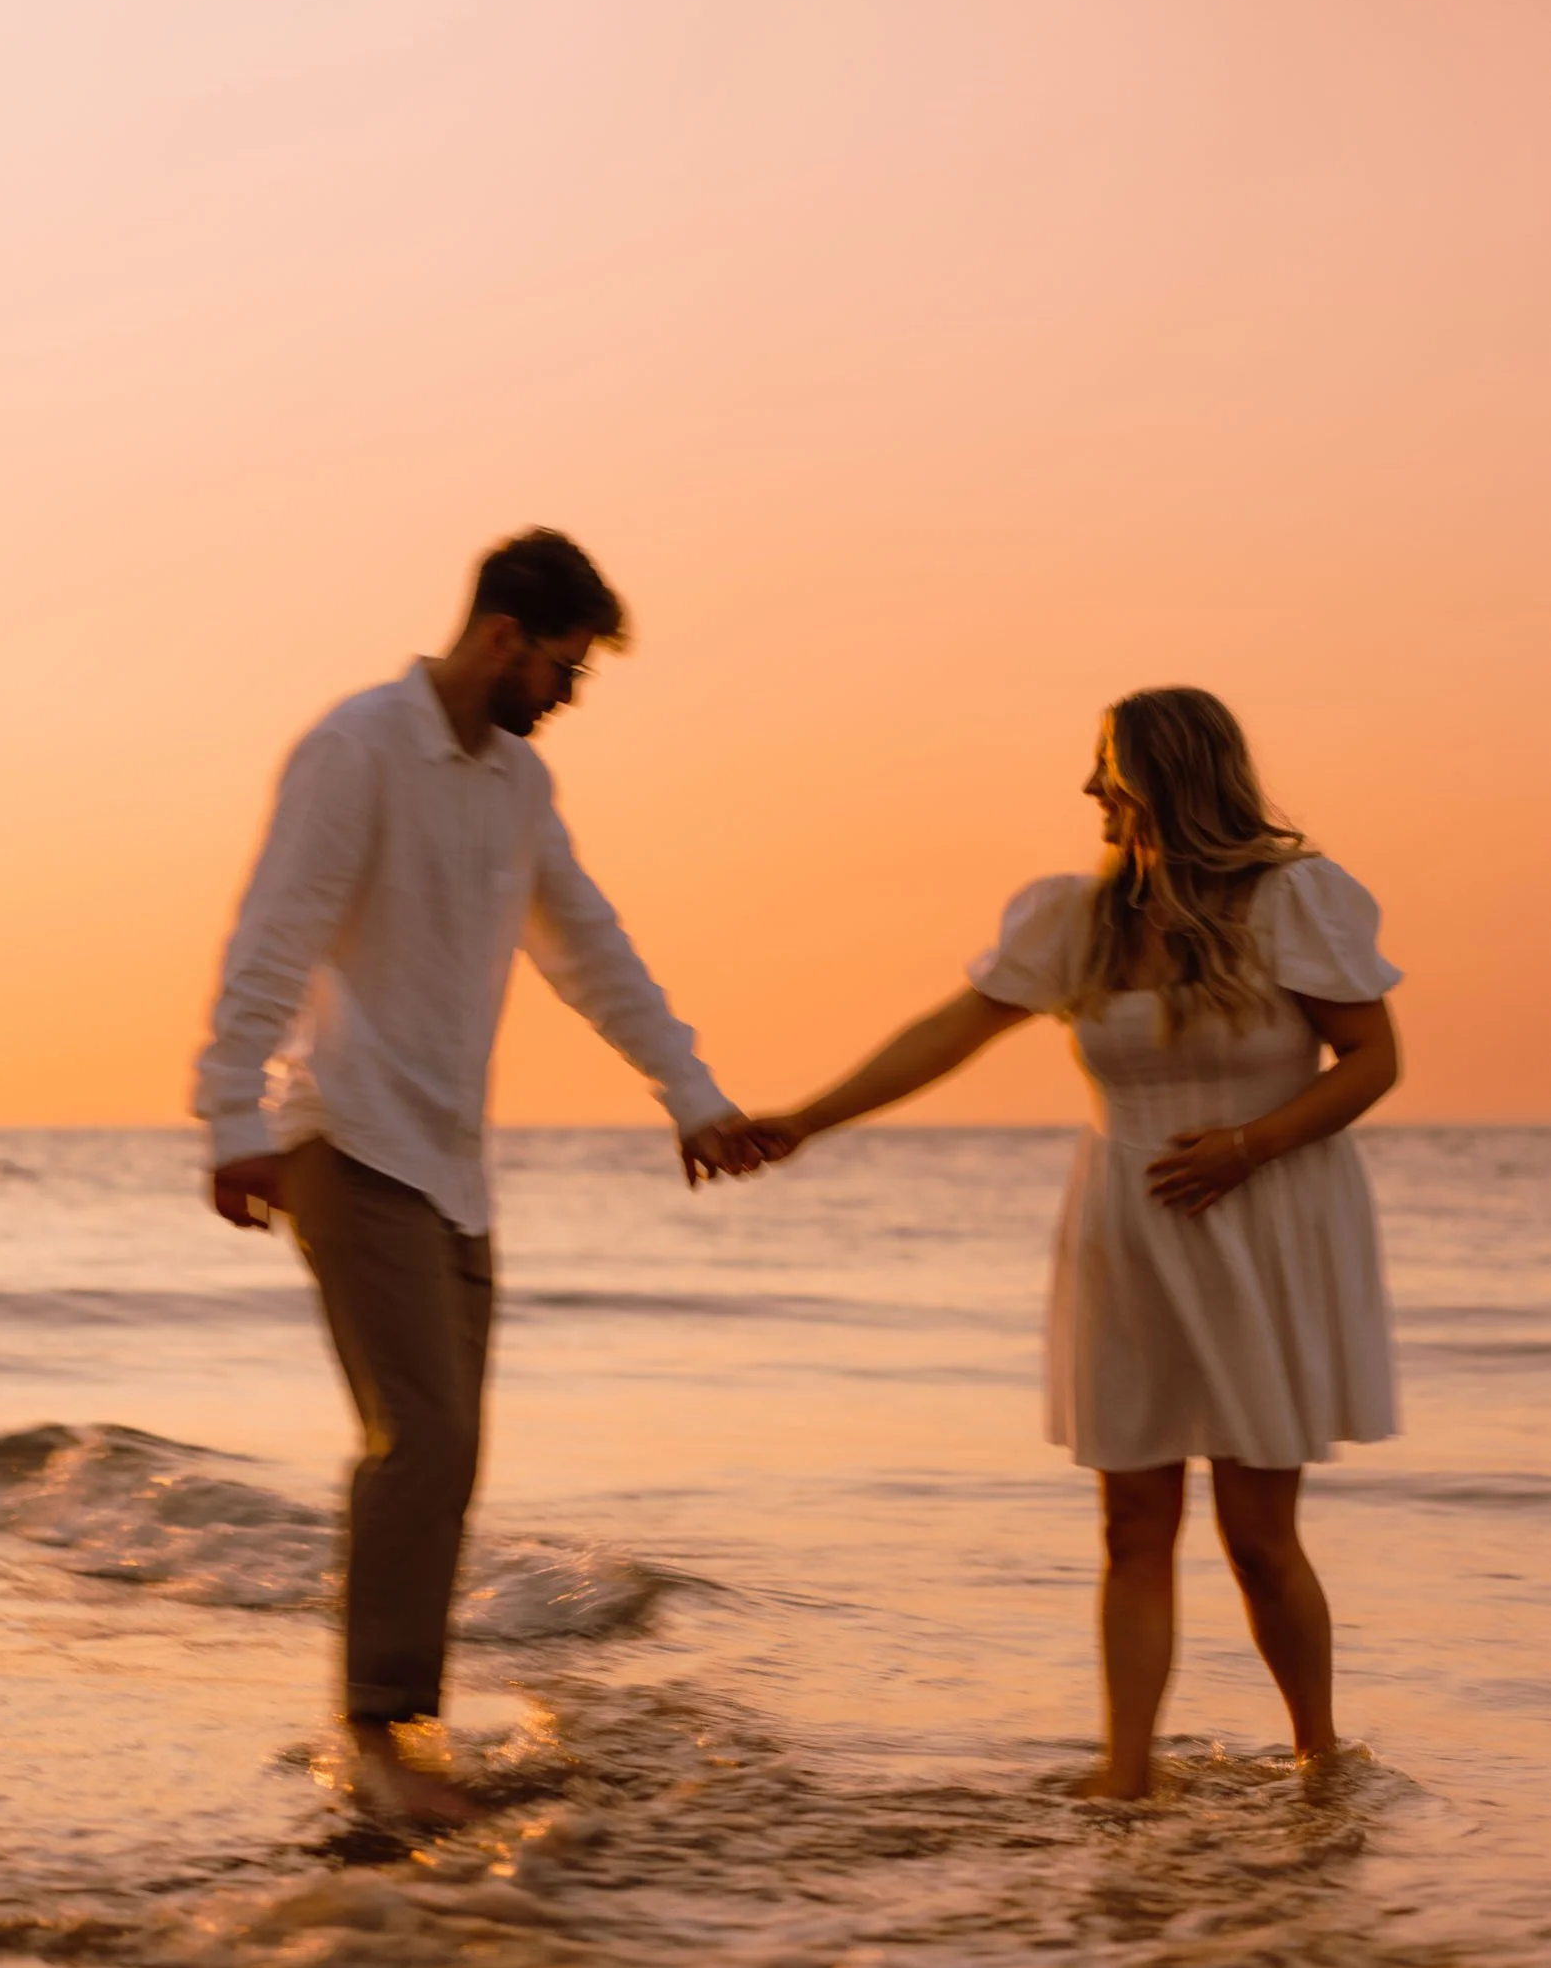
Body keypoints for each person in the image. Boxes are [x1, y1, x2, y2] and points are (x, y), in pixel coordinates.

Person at [195, 529, 761, 1821]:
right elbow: (274, 934)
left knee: (451, 1450)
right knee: (424, 1434)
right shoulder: (357, 750)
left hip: (453, 1166)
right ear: (503, 637)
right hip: (344, 1138)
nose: (567, 696)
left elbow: (590, 950)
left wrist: (692, 1095)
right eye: (563, 668)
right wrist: (228, 1112)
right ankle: (378, 1737)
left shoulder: (515, 788)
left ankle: (402, 1727)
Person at [754, 688, 1401, 1798]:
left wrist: (1247, 1145)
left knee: (1256, 1533)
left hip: (1262, 1220)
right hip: (1128, 1231)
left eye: (1105, 767)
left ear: (1161, 778)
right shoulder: (1076, 920)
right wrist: (804, 1120)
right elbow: (945, 1035)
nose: (1089, 789)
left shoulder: (1296, 901)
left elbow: (1373, 1060)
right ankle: (1127, 1773)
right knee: (1130, 1519)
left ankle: (1318, 1760)